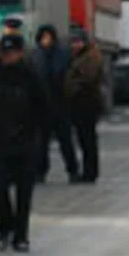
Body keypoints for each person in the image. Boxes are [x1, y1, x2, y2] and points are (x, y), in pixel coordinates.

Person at [0, 34, 47, 252]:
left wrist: (31, 131)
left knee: (24, 193)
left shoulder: (30, 76)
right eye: (5, 53)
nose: (8, 57)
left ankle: (21, 235)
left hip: (25, 142)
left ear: (20, 53)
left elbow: (42, 106)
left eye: (12, 53)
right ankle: (5, 227)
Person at [30, 24, 80, 184]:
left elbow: (67, 76)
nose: (46, 40)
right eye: (44, 37)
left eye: (49, 37)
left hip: (60, 104)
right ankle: (40, 171)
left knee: (65, 141)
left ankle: (73, 170)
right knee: (41, 143)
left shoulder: (62, 55)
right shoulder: (36, 56)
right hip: (42, 105)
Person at [64, 27, 106, 184]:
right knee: (84, 139)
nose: (75, 45)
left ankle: (90, 173)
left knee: (88, 140)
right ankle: (88, 171)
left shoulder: (91, 57)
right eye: (73, 42)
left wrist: (71, 85)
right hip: (79, 104)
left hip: (88, 104)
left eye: (78, 42)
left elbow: (87, 78)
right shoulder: (79, 56)